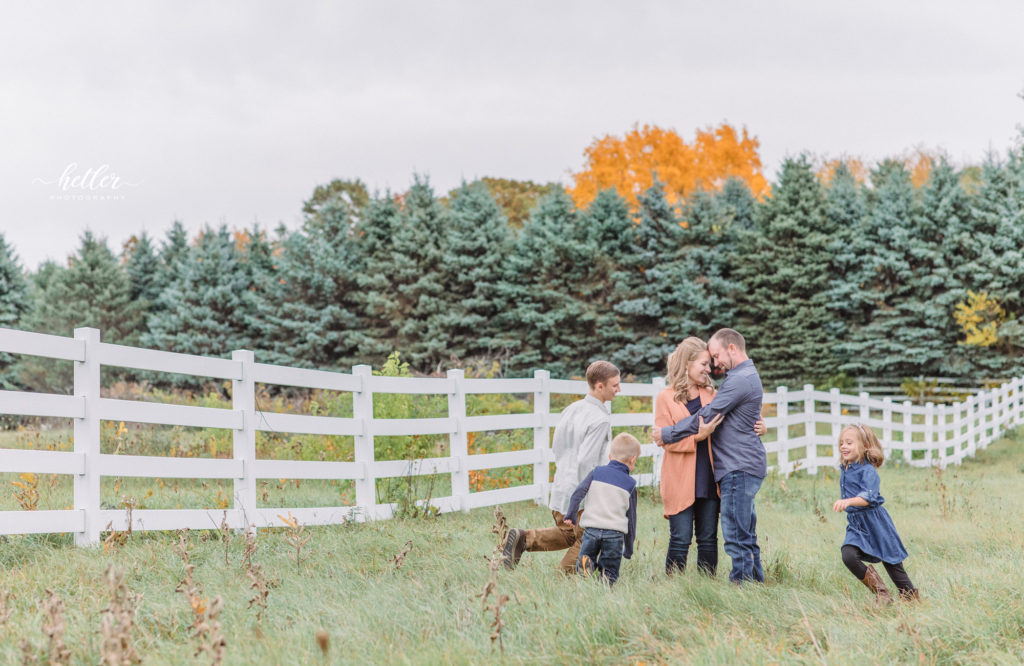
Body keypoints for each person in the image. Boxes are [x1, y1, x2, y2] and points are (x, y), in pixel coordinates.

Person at [651, 328, 766, 584]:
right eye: (705, 363)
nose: (710, 367)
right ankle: (674, 585)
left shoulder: (712, 394)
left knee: (708, 538)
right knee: (680, 537)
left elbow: (736, 414)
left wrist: (761, 424)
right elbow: (666, 444)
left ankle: (706, 586)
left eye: (711, 361)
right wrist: (696, 438)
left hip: (710, 474)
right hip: (682, 476)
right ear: (687, 363)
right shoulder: (665, 397)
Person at [501, 361, 620, 572]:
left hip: (561, 485)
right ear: (599, 386)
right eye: (614, 385)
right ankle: (563, 580)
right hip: (582, 492)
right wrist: (592, 496)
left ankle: (523, 539)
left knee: (568, 534)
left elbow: (557, 448)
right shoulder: (600, 419)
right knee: (588, 541)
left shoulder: (571, 409)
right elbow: (586, 461)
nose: (618, 390)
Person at [833, 423, 919, 605]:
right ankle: (882, 594)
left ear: (864, 447)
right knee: (848, 555)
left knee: (892, 562)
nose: (843, 446)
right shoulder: (846, 467)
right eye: (841, 443)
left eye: (849, 442)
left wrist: (848, 501)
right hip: (857, 524)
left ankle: (911, 598)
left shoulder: (868, 470)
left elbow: (868, 496)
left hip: (876, 522)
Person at [562, 433, 640, 586]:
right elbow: (631, 520)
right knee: (609, 570)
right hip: (614, 534)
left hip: (591, 530)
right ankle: (604, 585)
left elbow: (578, 493)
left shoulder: (596, 473)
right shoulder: (630, 484)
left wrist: (571, 515)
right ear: (633, 460)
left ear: (610, 456)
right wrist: (629, 548)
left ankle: (586, 570)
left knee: (586, 557)